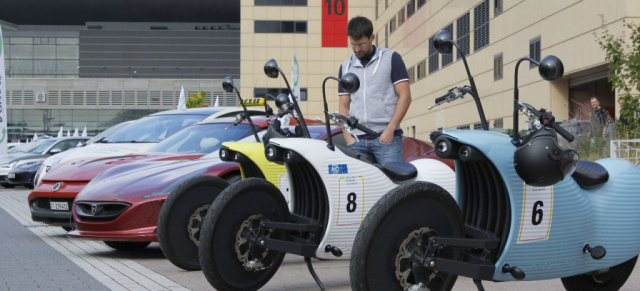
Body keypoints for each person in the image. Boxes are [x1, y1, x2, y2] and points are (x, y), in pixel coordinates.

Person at [338, 16, 411, 165]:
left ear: (372, 37)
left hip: (386, 139)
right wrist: (348, 138)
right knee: (360, 187)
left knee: (392, 186)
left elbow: (405, 96)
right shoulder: (345, 67)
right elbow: (343, 106)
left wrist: (390, 129)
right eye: (353, 44)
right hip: (356, 140)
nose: (357, 49)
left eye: (362, 44)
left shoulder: (392, 58)